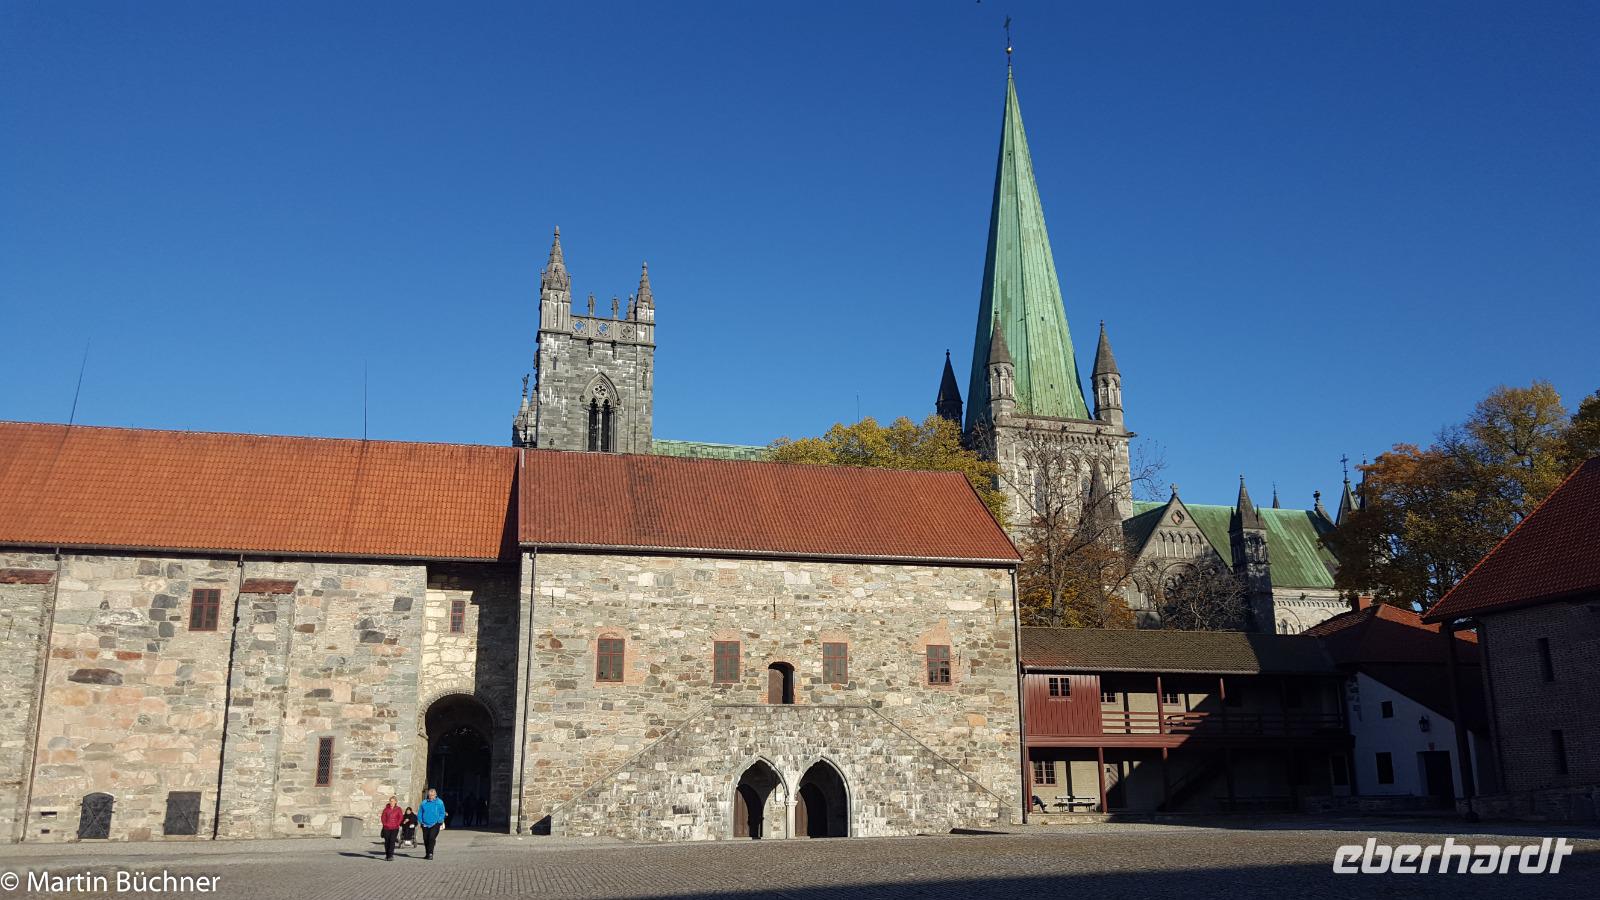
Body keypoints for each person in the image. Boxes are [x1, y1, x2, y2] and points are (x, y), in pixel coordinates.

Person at [417, 788, 447, 860]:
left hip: (435, 823)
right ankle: (427, 853)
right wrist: (421, 821)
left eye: (432, 795)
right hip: (425, 824)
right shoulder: (424, 802)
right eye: (430, 795)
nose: (431, 797)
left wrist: (439, 820)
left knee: (431, 838)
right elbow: (420, 812)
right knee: (426, 839)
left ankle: (430, 854)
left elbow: (442, 812)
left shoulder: (439, 802)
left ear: (435, 795)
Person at [379, 796, 404, 860]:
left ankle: (390, 855)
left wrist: (397, 824)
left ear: (395, 802)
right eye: (390, 801)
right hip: (386, 828)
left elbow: (400, 817)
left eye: (392, 801)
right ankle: (387, 855)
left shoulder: (398, 809)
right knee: (387, 841)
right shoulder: (386, 809)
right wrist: (385, 824)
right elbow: (383, 817)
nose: (391, 802)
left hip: (395, 828)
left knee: (392, 841)